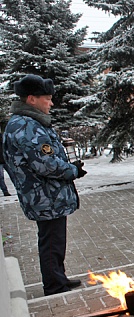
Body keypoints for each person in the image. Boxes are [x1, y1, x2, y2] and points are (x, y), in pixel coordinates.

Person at [2, 75, 87, 296]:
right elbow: (45, 164)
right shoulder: (26, 125)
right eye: (47, 99)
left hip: (45, 195)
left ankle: (58, 278)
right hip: (45, 196)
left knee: (54, 241)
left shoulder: (28, 122)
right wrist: (73, 170)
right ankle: (54, 285)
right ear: (32, 99)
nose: (51, 103)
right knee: (51, 242)